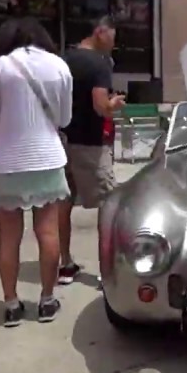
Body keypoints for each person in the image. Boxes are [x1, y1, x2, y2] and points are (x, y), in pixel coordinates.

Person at [0, 18, 73, 327]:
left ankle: (11, 305)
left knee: (8, 237)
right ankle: (46, 301)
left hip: (6, 162)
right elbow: (65, 117)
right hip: (46, 158)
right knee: (48, 232)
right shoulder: (59, 65)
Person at [58, 15, 123, 280]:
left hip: (62, 140)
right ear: (100, 31)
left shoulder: (62, 60)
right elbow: (100, 105)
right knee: (108, 205)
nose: (114, 43)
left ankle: (65, 263)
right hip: (91, 144)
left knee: (62, 203)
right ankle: (106, 269)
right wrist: (114, 104)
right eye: (113, 36)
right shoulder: (98, 64)